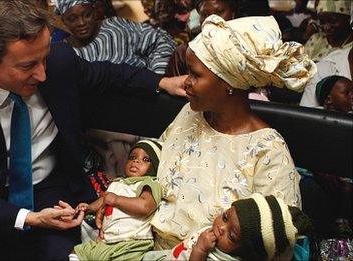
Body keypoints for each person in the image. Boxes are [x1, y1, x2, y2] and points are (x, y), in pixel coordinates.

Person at [0, 1, 185, 259]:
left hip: (49, 187)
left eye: (44, 59)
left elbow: (106, 75)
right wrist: (29, 218)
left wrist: (162, 81)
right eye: (27, 66)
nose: (42, 74)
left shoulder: (58, 61)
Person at [150, 15, 316, 249]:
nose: (186, 81)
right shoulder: (190, 113)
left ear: (229, 83)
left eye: (195, 75)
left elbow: (276, 245)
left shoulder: (268, 152)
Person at [145, 193, 314, 260]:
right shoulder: (218, 238)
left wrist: (200, 251)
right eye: (225, 217)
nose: (221, 228)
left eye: (231, 237)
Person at [69, 140, 163, 261]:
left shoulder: (149, 183)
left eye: (145, 159)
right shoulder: (118, 182)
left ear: (154, 166)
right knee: (78, 251)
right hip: (107, 241)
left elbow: (145, 206)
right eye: (132, 157)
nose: (136, 161)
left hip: (132, 243)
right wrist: (89, 208)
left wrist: (116, 199)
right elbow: (105, 199)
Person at [56, 0, 177, 75]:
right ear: (63, 21)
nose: (81, 23)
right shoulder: (63, 52)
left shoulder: (115, 27)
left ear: (95, 11)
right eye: (72, 19)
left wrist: (156, 78)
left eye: (87, 15)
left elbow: (160, 40)